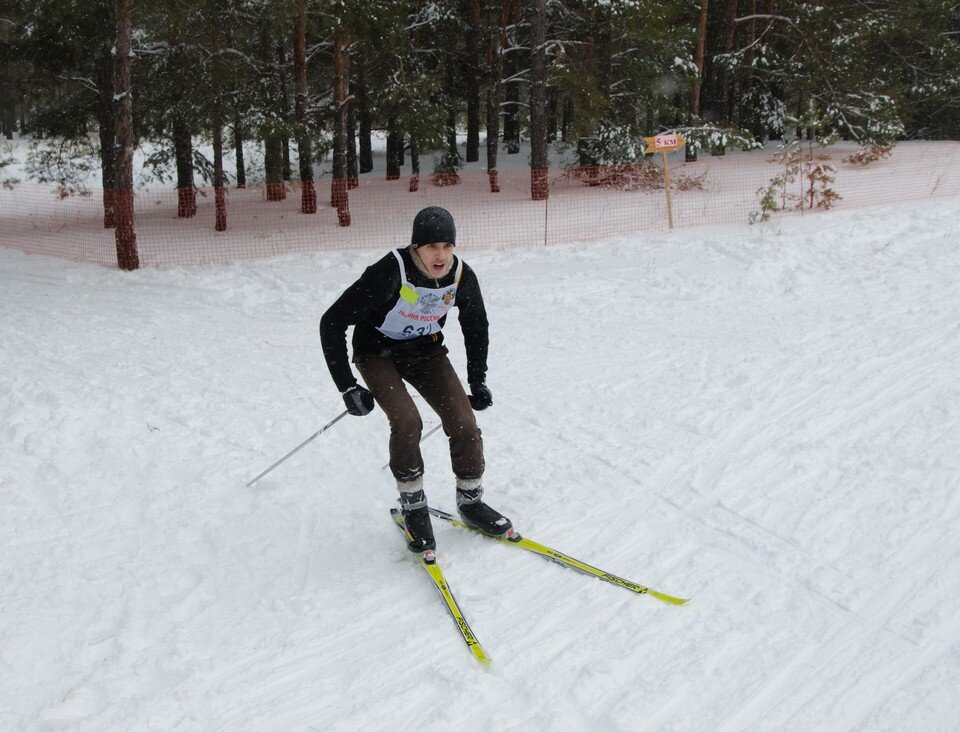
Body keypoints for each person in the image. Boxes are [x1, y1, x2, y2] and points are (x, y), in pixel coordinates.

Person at [320, 206, 512, 553]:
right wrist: (347, 385)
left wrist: (477, 380)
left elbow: (476, 326)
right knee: (408, 421)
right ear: (416, 248)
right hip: (376, 353)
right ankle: (413, 506)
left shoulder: (460, 276)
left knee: (464, 423)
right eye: (431, 247)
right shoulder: (389, 272)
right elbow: (331, 322)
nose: (440, 255)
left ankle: (470, 501)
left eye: (446, 246)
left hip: (425, 351)